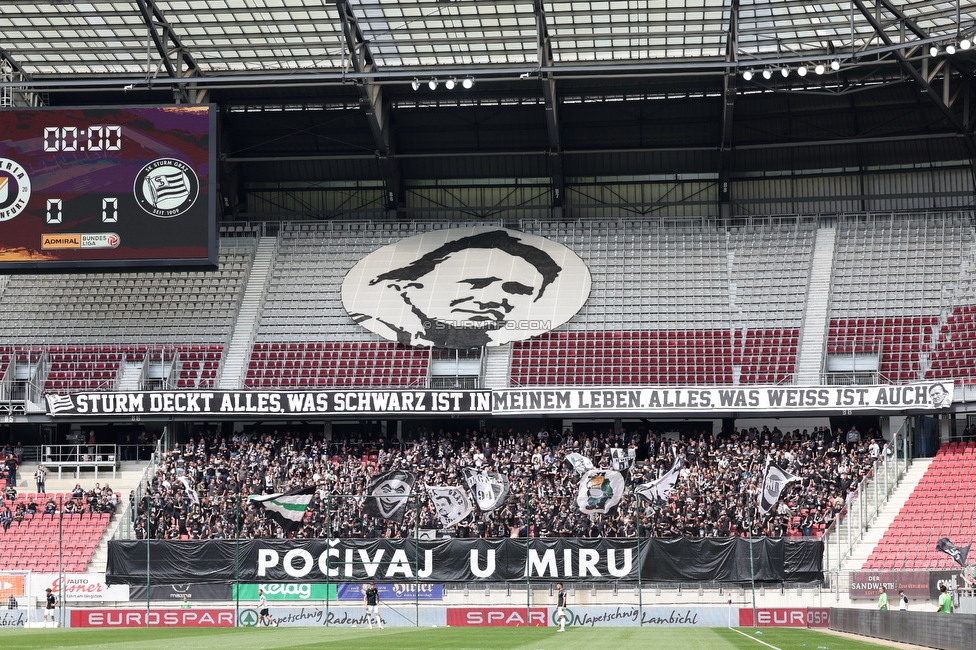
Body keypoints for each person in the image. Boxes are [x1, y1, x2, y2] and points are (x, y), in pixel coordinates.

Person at [353, 229, 565, 348]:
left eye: (517, 289)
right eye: (477, 283)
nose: (495, 299)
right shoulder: (381, 321)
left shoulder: (499, 336)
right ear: (411, 287)